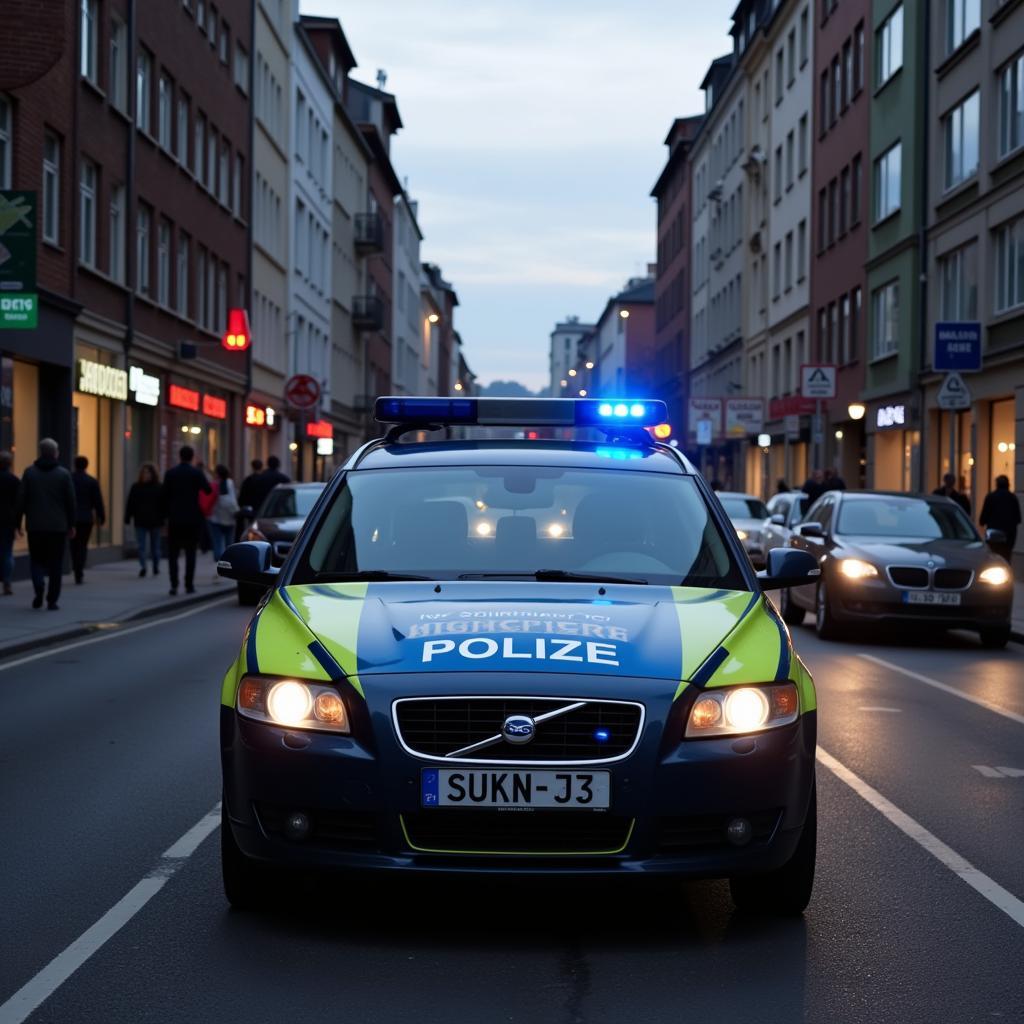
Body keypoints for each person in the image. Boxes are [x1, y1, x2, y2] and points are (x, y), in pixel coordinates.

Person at [14, 438, 76, 610]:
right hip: (57, 527)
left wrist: (18, 522)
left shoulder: (30, 473)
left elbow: (21, 500)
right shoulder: (63, 474)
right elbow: (71, 501)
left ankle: (39, 587)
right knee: (56, 563)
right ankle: (52, 600)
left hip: (36, 526)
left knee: (36, 561)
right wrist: (71, 524)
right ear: (55, 453)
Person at [160, 445, 211, 596]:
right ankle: (189, 585)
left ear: (179, 456)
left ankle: (173, 585)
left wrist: (165, 516)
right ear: (192, 457)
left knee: (173, 553)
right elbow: (207, 490)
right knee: (190, 552)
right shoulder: (196, 473)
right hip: (192, 518)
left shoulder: (171, 473)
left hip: (175, 518)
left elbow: (164, 495)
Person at [70, 455, 106, 584]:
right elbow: (98, 501)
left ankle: (76, 566)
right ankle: (79, 569)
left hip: (72, 518)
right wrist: (102, 516)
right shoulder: (91, 481)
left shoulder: (70, 479)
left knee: (73, 545)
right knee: (83, 545)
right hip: (86, 518)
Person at [125, 463, 163, 577]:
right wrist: (127, 517)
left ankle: (156, 566)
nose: (146, 475)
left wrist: (165, 518)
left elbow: (164, 504)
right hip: (140, 520)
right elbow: (130, 503)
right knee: (141, 546)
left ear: (153, 474)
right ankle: (143, 567)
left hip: (155, 521)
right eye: (144, 473)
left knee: (155, 546)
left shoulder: (159, 487)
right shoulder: (136, 487)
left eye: (149, 473)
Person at [979, 475, 1021, 564]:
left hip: (993, 534)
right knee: (1006, 558)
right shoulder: (1012, 498)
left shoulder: (991, 497)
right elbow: (1018, 518)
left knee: (993, 558)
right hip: (1009, 535)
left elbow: (983, 518)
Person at [207, 464, 239, 568]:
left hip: (216, 518)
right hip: (230, 518)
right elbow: (232, 500)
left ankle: (219, 561)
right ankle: (228, 563)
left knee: (217, 543)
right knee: (229, 544)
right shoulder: (229, 483)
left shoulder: (214, 484)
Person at [0, 451, 19, 596]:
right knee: (7, 552)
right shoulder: (14, 480)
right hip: (8, 521)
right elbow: (19, 504)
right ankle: (7, 582)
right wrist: (18, 524)